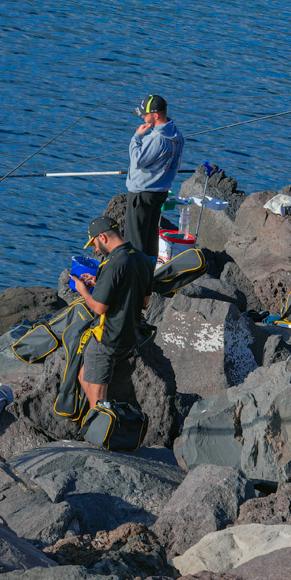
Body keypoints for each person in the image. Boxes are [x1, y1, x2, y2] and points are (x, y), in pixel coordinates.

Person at [71, 216, 153, 406]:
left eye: (95, 244)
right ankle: (95, 419)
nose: (96, 249)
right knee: (84, 374)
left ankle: (102, 425)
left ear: (103, 237)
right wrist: (101, 284)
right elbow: (145, 301)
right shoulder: (142, 259)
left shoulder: (111, 264)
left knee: (99, 400)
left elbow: (99, 307)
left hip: (108, 338)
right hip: (131, 332)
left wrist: (84, 291)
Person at [125, 94, 185, 256]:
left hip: (142, 194)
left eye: (145, 114)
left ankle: (137, 276)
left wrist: (137, 137)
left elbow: (137, 161)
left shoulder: (156, 139)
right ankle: (149, 272)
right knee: (150, 238)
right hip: (160, 193)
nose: (143, 117)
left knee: (135, 240)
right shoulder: (177, 134)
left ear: (156, 115)